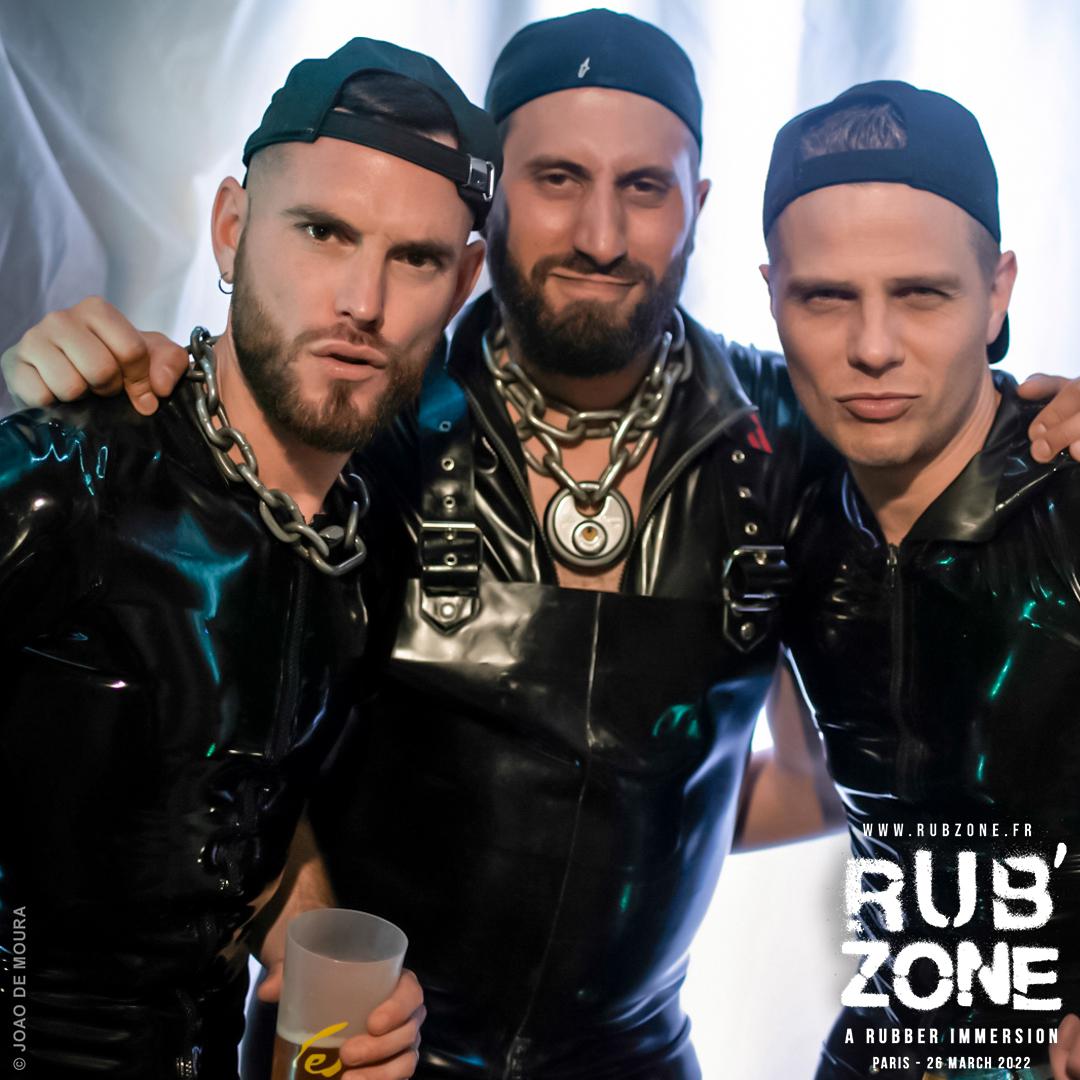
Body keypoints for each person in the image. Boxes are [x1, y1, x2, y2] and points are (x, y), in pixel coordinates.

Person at [6, 13, 1080, 1080]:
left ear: (696, 206)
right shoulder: (368, 412)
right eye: (557, 179)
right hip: (363, 1052)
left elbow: (892, 717)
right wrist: (128, 380)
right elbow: (231, 692)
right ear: (493, 206)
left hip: (640, 1059)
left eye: (645, 187)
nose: (600, 236)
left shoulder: (797, 434)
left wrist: (645, 809)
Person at [0, 37, 493, 1079]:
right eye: (322, 231)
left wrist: (321, 957)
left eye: (415, 258)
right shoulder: (68, 480)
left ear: (463, 283)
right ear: (232, 229)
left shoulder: (368, 535)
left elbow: (242, 805)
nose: (362, 301)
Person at [761, 80, 1080, 1080]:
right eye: (826, 297)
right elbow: (809, 784)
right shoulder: (786, 507)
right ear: (772, 294)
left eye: (921, 294)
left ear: (997, 293)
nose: (872, 348)